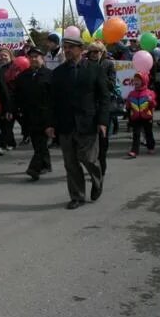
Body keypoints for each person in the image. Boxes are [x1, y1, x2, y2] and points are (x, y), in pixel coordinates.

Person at [45, 35, 109, 210]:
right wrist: (50, 124)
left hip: (88, 122)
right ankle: (77, 196)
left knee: (88, 159)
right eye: (65, 47)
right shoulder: (58, 73)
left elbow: (104, 97)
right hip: (66, 124)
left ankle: (97, 180)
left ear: (81, 50)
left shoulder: (94, 69)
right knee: (71, 163)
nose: (67, 50)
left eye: (71, 47)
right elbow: (52, 100)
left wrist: (103, 121)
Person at [14, 46, 51, 181]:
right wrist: (15, 111)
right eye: (31, 57)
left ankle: (34, 168)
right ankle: (46, 164)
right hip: (30, 116)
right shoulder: (23, 76)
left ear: (42, 58)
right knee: (37, 142)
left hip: (46, 115)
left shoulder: (49, 75)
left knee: (41, 143)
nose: (34, 59)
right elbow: (17, 96)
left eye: (37, 57)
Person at [85, 41, 117, 175]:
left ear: (102, 52)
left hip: (103, 105)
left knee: (103, 139)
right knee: (90, 139)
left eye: (97, 51)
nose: (94, 54)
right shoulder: (85, 65)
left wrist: (100, 76)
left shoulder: (108, 64)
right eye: (91, 52)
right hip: (89, 106)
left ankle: (102, 166)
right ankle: (93, 164)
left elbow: (112, 84)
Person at [125, 72, 157, 158]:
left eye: (138, 80)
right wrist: (128, 105)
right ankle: (134, 151)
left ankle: (151, 147)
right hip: (135, 117)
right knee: (136, 134)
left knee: (148, 133)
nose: (136, 82)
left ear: (144, 81)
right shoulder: (131, 93)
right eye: (135, 80)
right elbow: (128, 106)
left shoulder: (150, 93)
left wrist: (151, 101)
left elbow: (154, 105)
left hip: (147, 117)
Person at [0, 48, 17, 150]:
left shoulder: (15, 68)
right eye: (0, 55)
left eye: (5, 55)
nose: (2, 57)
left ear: (10, 56)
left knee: (8, 121)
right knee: (3, 122)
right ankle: (10, 142)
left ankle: (3, 144)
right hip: (0, 100)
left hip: (12, 98)